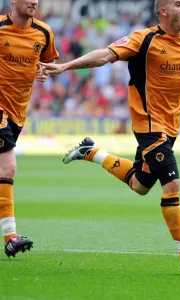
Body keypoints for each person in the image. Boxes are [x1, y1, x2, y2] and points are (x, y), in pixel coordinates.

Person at [40, 0, 180, 274]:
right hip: (148, 125)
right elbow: (105, 55)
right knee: (171, 185)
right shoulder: (144, 39)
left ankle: (90, 151)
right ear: (163, 11)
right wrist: (66, 67)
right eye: (178, 4)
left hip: (171, 128)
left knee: (140, 184)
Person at [0, 0, 59, 257]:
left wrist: (44, 72)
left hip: (18, 112)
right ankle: (10, 236)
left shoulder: (44, 33)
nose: (34, 1)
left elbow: (46, 64)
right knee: (8, 166)